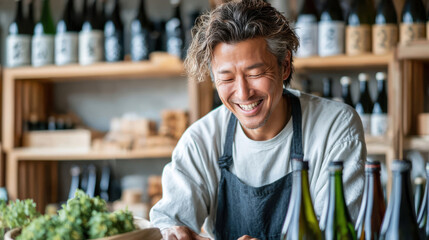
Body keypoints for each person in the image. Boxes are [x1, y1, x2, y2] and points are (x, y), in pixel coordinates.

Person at [150, 0, 366, 239]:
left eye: (255, 74)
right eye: (227, 78)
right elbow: (167, 222)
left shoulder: (335, 127)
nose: (243, 93)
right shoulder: (201, 139)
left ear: (284, 66)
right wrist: (170, 231)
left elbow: (338, 233)